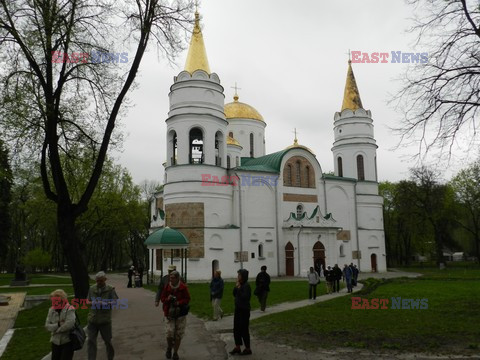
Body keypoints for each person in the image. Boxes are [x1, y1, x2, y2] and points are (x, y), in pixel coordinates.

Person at [87, 271, 119, 360]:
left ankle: (110, 358)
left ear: (105, 279)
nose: (99, 283)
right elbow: (87, 301)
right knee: (91, 341)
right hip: (92, 320)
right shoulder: (91, 289)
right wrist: (92, 302)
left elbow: (115, 301)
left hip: (105, 320)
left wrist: (104, 303)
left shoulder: (110, 289)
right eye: (97, 281)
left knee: (108, 341)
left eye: (101, 281)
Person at [160, 270, 190, 360]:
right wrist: (168, 299)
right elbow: (162, 299)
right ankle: (169, 348)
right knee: (169, 333)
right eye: (170, 277)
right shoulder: (167, 287)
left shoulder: (183, 287)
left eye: (172, 278)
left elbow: (187, 299)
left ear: (177, 278)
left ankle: (175, 353)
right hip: (169, 314)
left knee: (178, 334)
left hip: (180, 314)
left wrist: (179, 302)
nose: (171, 279)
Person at [45, 289, 76, 360]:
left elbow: (69, 324)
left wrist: (57, 330)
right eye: (53, 301)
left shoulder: (69, 309)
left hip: (67, 341)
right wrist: (58, 324)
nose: (54, 303)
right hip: (55, 342)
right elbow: (47, 326)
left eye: (56, 301)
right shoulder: (51, 310)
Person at [230, 269, 252, 356]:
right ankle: (237, 347)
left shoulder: (247, 286)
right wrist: (236, 287)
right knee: (236, 329)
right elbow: (234, 294)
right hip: (238, 309)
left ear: (243, 276)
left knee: (244, 329)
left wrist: (239, 289)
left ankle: (248, 348)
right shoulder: (240, 285)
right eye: (238, 275)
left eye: (239, 275)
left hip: (244, 310)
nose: (238, 277)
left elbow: (245, 297)